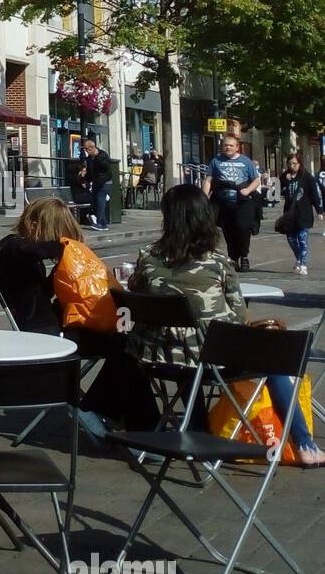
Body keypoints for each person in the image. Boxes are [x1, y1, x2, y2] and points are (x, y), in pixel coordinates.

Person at [127, 184, 323, 466]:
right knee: (275, 359)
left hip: (160, 360)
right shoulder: (217, 261)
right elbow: (238, 315)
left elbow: (136, 290)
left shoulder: (147, 257)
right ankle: (304, 444)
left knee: (187, 349)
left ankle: (197, 431)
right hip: (213, 363)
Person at [0, 195, 157, 438]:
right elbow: (31, 251)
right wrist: (68, 247)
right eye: (55, 232)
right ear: (36, 224)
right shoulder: (10, 247)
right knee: (127, 347)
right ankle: (107, 413)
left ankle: (135, 422)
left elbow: (37, 292)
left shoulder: (18, 254)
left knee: (127, 343)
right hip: (43, 334)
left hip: (46, 325)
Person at [203, 132, 260, 271]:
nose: (228, 147)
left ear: (237, 147)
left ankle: (244, 256)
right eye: (226, 145)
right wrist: (203, 197)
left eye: (231, 145)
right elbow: (208, 180)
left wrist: (247, 190)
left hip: (242, 201)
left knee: (242, 228)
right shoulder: (216, 161)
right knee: (228, 230)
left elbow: (257, 180)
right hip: (223, 202)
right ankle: (233, 258)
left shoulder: (246, 161)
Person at [279, 153, 322, 277]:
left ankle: (303, 264)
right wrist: (285, 181)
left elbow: (314, 194)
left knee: (302, 240)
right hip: (289, 214)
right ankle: (298, 258)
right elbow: (276, 192)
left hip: (304, 213)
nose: (292, 166)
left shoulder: (307, 177)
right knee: (291, 239)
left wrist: (319, 210)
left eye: (294, 164)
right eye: (289, 164)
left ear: (300, 164)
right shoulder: (284, 176)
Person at [73, 136, 113, 233]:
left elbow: (107, 168)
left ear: (91, 148)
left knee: (100, 201)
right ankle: (103, 223)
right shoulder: (90, 158)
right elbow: (90, 172)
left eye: (87, 149)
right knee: (97, 201)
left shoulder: (102, 155)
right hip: (96, 183)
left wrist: (97, 157)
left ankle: (100, 223)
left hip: (104, 182)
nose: (86, 151)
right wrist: (84, 178)